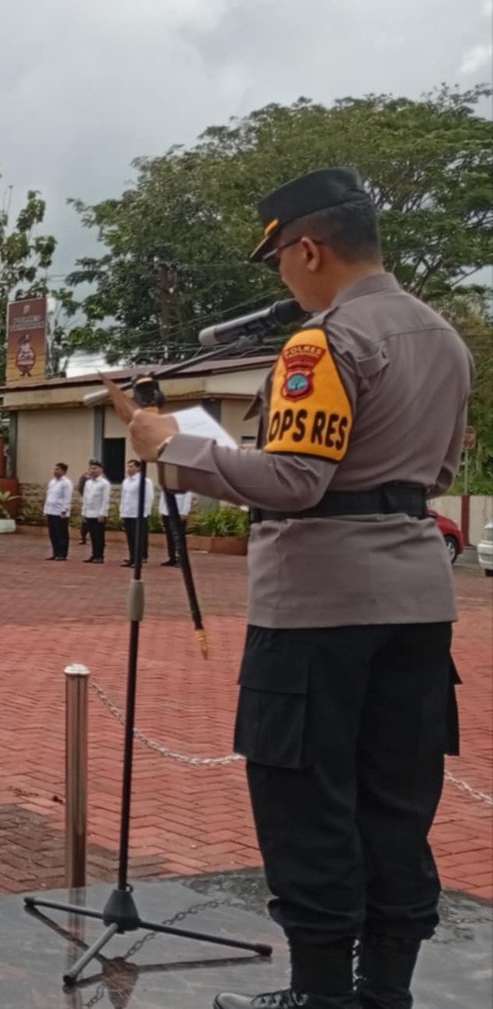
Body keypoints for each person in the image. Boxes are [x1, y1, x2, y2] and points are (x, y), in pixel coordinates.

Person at [119, 167, 473, 1009]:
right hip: (418, 606)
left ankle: (320, 995)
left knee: (306, 809)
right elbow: (439, 469)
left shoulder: (321, 344)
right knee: (396, 806)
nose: (282, 272)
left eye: (279, 255)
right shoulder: (446, 340)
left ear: (309, 246)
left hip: (318, 612)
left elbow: (293, 481)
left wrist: (172, 446)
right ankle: (385, 991)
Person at [118, 459, 155, 568]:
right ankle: (132, 558)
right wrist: (122, 511)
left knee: (139, 538)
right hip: (128, 512)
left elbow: (149, 497)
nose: (129, 469)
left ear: (138, 468)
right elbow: (124, 497)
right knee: (130, 538)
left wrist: (145, 512)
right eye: (128, 466)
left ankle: (139, 559)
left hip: (138, 514)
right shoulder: (126, 481)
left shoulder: (144, 481)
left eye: (131, 466)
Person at [80, 462, 110, 564]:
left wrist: (102, 513)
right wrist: (83, 512)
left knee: (99, 536)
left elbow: (105, 500)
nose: (92, 470)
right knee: (92, 536)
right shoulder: (88, 483)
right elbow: (85, 498)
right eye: (91, 468)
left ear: (101, 470)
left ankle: (99, 556)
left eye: (95, 468)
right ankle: (94, 554)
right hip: (89, 512)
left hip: (98, 513)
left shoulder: (104, 483)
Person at [158, 484, 193, 567]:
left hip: (179, 512)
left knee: (179, 537)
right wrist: (161, 510)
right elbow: (163, 496)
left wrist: (185, 512)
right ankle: (172, 557)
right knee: (169, 536)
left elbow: (188, 496)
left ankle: (181, 559)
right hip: (166, 511)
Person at [44, 463, 73, 561]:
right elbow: (49, 496)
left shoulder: (66, 483)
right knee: (53, 534)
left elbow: (67, 497)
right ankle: (55, 552)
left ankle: (62, 553)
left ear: (63, 471)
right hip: (51, 511)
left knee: (61, 533)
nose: (55, 471)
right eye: (54, 469)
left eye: (57, 469)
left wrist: (64, 511)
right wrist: (46, 510)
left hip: (60, 512)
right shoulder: (52, 482)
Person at [77, 458, 98, 545]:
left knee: (97, 522)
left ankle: (98, 539)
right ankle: (83, 537)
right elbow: (80, 487)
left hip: (97, 502)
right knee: (85, 521)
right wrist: (85, 496)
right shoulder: (85, 476)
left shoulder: (100, 476)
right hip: (87, 501)